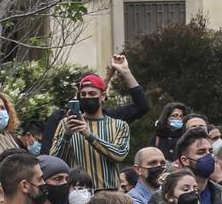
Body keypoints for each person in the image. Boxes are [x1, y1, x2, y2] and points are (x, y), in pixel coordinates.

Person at [42, 56, 148, 190]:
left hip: (110, 194)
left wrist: (88, 135)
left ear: (102, 96)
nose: (87, 98)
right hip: (78, 194)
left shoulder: (119, 125)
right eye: (83, 94)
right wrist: (66, 136)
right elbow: (54, 163)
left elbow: (119, 154)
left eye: (92, 94)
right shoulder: (66, 123)